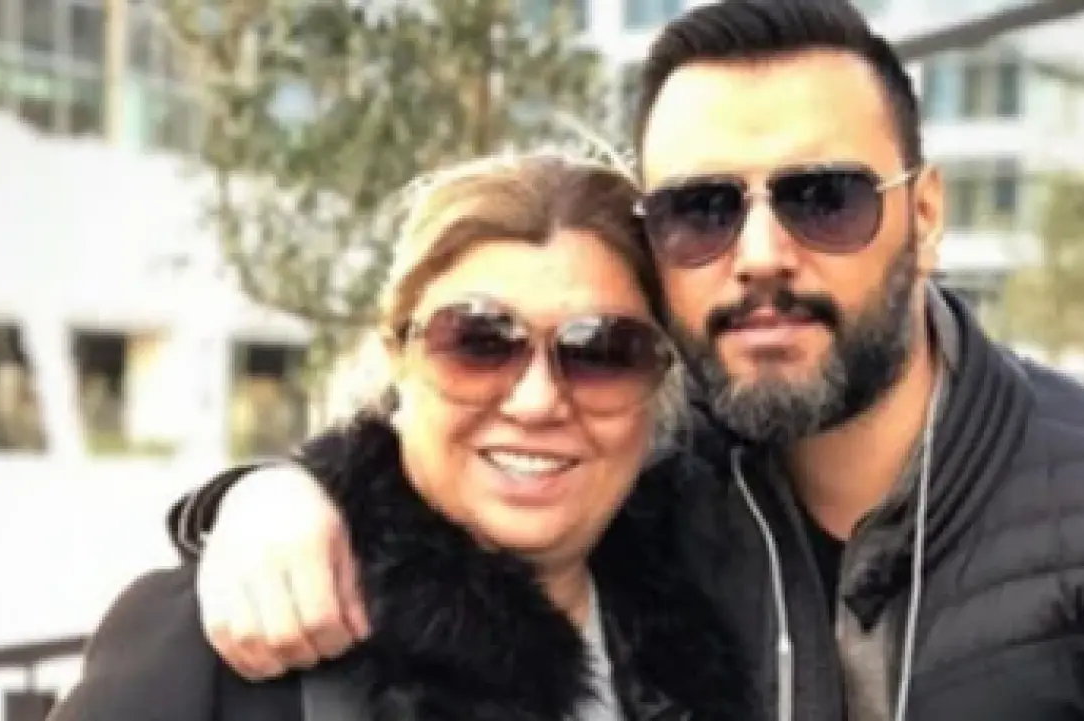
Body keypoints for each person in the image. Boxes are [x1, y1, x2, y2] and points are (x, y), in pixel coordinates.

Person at [163, 1, 1084, 720]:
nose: (760, 254)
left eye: (822, 198)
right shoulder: (650, 483)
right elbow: (444, 475)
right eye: (702, 209)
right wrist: (264, 498)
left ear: (923, 216)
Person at [50, 154, 758, 721]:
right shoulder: (224, 638)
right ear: (398, 356)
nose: (538, 400)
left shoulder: (730, 600)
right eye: (479, 341)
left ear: (660, 381)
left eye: (601, 351)